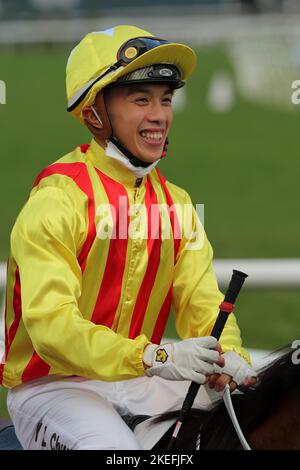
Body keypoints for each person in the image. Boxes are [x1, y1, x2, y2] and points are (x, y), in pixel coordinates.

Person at [1, 25, 256, 450]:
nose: (159, 115)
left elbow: (204, 306)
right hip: (54, 387)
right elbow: (52, 328)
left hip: (137, 379)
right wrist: (158, 357)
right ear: (94, 112)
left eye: (166, 99)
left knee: (247, 423)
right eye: (141, 100)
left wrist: (229, 356)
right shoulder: (57, 200)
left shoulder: (177, 205)